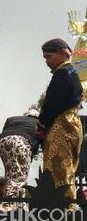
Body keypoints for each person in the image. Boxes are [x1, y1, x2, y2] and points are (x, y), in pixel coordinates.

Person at [37, 38, 83, 202]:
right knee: (68, 166)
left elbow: (52, 103)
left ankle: (64, 205)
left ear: (63, 53)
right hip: (72, 124)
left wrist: (42, 126)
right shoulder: (73, 72)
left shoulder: (62, 74)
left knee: (58, 166)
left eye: (49, 57)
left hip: (61, 125)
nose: (47, 62)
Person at [0, 108, 40, 210]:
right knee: (19, 178)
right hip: (21, 142)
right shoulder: (39, 123)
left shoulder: (12, 119)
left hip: (3, 141)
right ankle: (6, 208)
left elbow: (5, 131)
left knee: (9, 176)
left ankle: (20, 207)